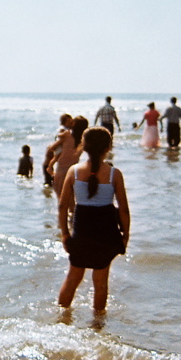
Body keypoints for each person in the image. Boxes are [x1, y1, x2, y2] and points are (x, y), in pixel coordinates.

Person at [57, 127, 130, 313]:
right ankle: (97, 327)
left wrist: (65, 234)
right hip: (106, 232)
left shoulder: (73, 171)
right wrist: (125, 236)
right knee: (101, 283)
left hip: (82, 230)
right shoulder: (115, 174)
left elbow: (62, 206)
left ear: (84, 146)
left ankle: (61, 320)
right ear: (108, 147)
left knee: (73, 278)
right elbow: (124, 209)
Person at [45, 117, 88, 198]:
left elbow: (52, 148)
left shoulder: (67, 136)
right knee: (72, 201)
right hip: (74, 172)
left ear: (74, 124)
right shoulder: (83, 142)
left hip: (61, 171)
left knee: (61, 200)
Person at [43, 114, 73, 187]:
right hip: (59, 147)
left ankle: (52, 177)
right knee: (56, 157)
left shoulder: (67, 129)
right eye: (69, 121)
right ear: (65, 122)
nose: (71, 123)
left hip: (60, 146)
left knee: (57, 159)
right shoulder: (63, 129)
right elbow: (60, 136)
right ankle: (50, 171)